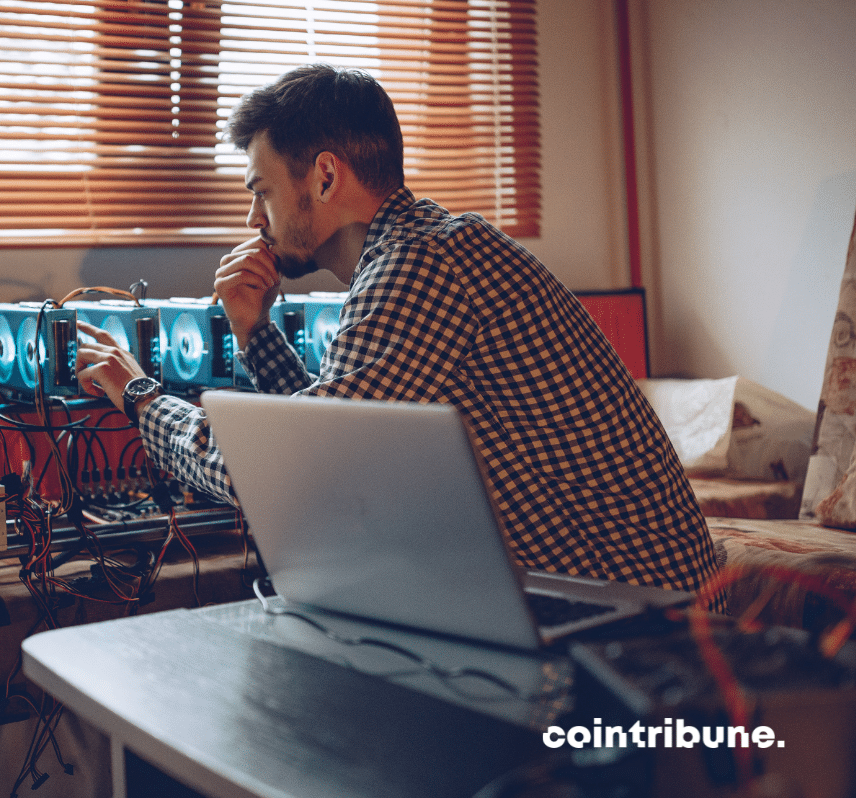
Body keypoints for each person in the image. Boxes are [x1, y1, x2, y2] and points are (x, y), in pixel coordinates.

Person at [76, 63, 723, 610]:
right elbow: (351, 441)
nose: (252, 220)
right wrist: (256, 334)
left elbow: (295, 473)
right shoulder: (418, 251)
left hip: (639, 627)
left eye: (262, 192)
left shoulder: (422, 265)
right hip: (595, 601)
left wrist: (137, 396)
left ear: (325, 177)